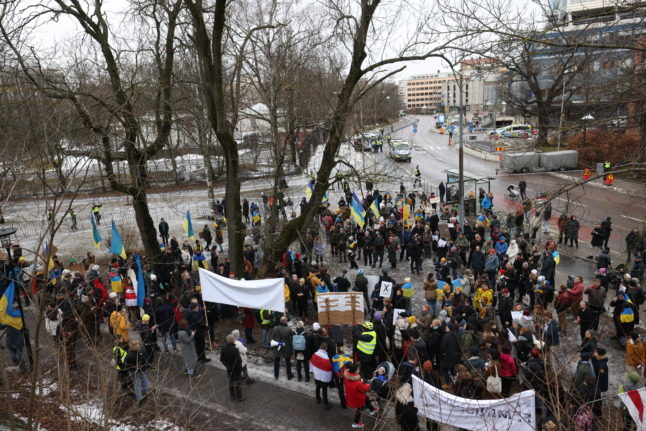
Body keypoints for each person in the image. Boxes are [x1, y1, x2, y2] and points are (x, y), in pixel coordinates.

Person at [344, 362, 376, 429]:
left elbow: (356, 383)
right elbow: (365, 388)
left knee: (366, 399)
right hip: (357, 398)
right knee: (360, 409)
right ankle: (355, 423)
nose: (359, 370)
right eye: (358, 369)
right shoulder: (357, 383)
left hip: (351, 395)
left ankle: (372, 409)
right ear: (354, 371)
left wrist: (361, 381)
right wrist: (369, 384)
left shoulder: (347, 376)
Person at [123, 339, 151, 404]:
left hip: (134, 371)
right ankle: (148, 393)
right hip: (143, 369)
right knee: (145, 380)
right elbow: (147, 360)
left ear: (131, 346)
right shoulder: (143, 350)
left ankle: (139, 399)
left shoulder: (128, 354)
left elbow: (126, 365)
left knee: (137, 385)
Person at [220, 334, 244, 401]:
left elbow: (222, 360)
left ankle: (232, 396)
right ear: (233, 341)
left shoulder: (223, 349)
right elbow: (238, 360)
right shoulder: (235, 350)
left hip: (229, 369)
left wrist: (228, 366)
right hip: (236, 369)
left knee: (231, 382)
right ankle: (239, 396)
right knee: (237, 382)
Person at [310, 342, 333, 410]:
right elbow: (329, 368)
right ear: (326, 348)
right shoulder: (326, 358)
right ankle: (326, 404)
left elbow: (311, 363)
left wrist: (312, 371)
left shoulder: (314, 354)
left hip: (317, 375)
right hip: (324, 377)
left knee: (318, 387)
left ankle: (318, 399)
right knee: (324, 390)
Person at [272, 315, 294, 380]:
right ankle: (289, 375)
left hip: (277, 346)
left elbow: (273, 337)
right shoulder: (289, 329)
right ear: (285, 322)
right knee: (288, 361)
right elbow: (291, 338)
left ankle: (276, 375)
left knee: (276, 361)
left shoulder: (275, 328)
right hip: (286, 347)